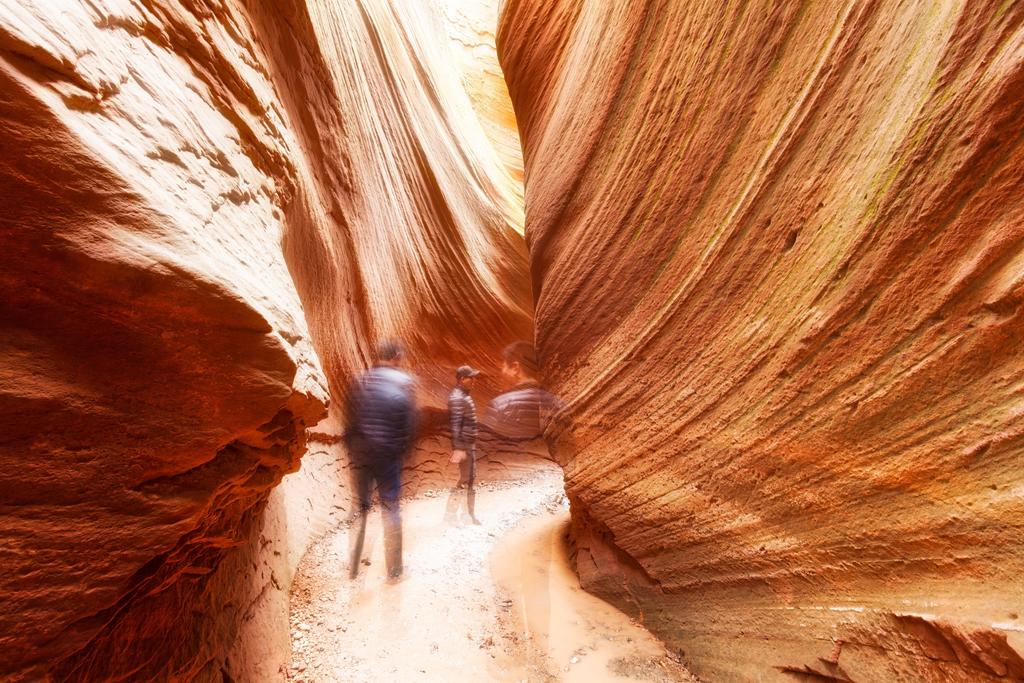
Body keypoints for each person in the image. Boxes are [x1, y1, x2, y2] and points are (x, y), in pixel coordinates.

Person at [344, 340, 417, 581]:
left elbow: (350, 420)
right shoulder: (405, 382)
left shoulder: (360, 380)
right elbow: (409, 423)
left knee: (361, 508)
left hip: (362, 453)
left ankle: (354, 566)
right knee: (390, 508)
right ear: (396, 356)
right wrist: (404, 451)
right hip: (388, 455)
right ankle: (394, 571)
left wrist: (353, 450)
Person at [486, 341, 562, 441]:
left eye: (503, 366)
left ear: (515, 368)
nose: (502, 371)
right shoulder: (558, 403)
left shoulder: (499, 405)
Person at [445, 365, 481, 525]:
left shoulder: (463, 395)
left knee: (470, 478)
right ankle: (451, 515)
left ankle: (467, 515)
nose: (474, 380)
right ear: (461, 379)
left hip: (468, 444)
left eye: (474, 377)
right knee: (466, 478)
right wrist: (458, 447)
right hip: (464, 445)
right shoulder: (457, 397)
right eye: (470, 377)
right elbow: (455, 424)